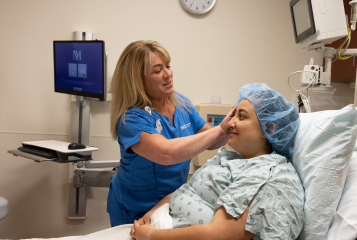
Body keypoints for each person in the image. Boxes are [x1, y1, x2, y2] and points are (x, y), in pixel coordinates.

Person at [130, 83, 305, 240]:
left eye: (241, 117)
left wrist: (151, 236)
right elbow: (189, 189)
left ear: (270, 128)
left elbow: (219, 235)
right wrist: (152, 212)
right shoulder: (230, 158)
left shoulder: (263, 174)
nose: (230, 123)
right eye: (233, 115)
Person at [108, 40, 237, 226]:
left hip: (172, 201)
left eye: (168, 66)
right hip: (133, 207)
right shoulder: (131, 119)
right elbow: (167, 153)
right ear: (137, 79)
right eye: (158, 70)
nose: (168, 74)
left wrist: (232, 125)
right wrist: (221, 129)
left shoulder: (182, 104)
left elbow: (212, 140)